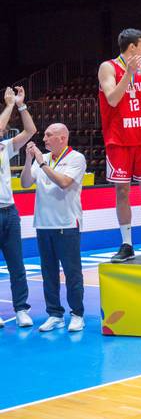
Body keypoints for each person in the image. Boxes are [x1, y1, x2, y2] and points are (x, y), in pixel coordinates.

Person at [99, 29, 141, 263]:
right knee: (122, 191)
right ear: (133, 47)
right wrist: (128, 74)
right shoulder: (108, 67)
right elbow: (113, 99)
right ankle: (126, 244)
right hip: (119, 140)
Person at [20, 124, 86, 332]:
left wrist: (40, 162)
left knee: (72, 273)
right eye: (45, 135)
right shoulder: (44, 159)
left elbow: (64, 182)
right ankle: (55, 314)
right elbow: (24, 183)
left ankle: (77, 314)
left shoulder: (76, 158)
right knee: (48, 272)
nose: (45, 138)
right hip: (43, 224)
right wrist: (30, 159)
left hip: (66, 224)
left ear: (62, 138)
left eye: (49, 135)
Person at [0, 86, 36, 328]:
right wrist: (9, 104)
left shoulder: (4, 148)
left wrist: (21, 105)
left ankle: (21, 309)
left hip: (9, 213)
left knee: (17, 264)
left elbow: (30, 131)